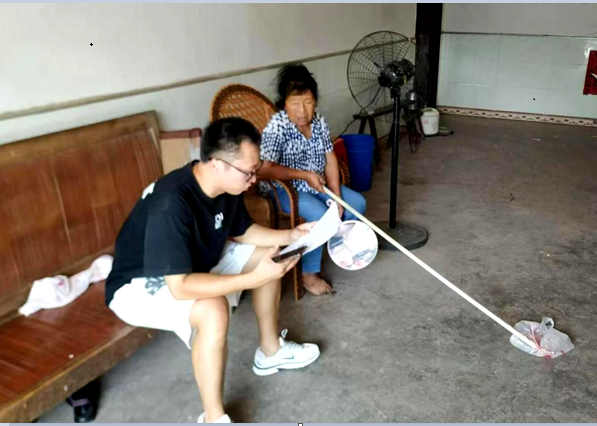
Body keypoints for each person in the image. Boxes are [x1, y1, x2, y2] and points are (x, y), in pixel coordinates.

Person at [105, 117, 321, 423]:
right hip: (139, 283)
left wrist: (292, 235)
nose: (254, 179)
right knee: (213, 309)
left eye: (256, 169)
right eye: (249, 171)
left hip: (191, 262)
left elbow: (242, 231)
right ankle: (213, 417)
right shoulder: (171, 202)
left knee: (269, 257)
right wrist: (251, 279)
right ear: (217, 164)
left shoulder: (228, 186)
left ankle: (270, 352)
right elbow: (180, 286)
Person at [258, 63, 367, 296]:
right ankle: (308, 274)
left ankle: (335, 244)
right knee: (319, 216)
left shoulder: (319, 122)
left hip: (318, 184)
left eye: (307, 102)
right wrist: (303, 175)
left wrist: (336, 195)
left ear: (315, 101)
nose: (302, 111)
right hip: (285, 190)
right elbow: (264, 170)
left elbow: (330, 159)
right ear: (284, 103)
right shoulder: (277, 127)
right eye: (295, 103)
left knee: (356, 203)